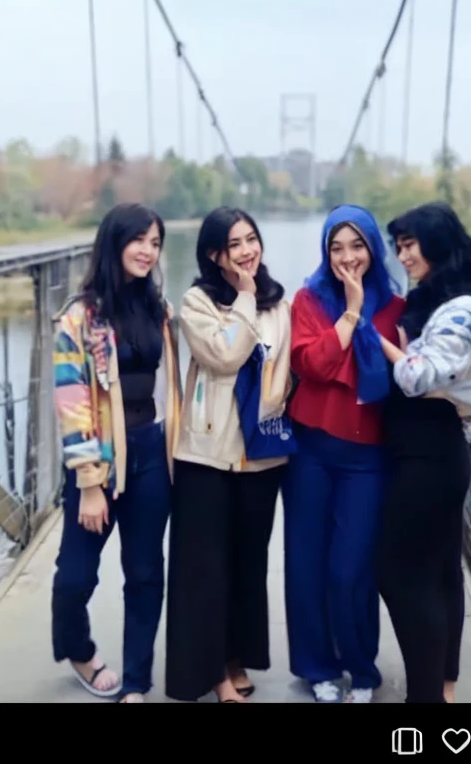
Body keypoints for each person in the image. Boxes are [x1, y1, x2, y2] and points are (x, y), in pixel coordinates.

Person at [376, 201, 471, 705]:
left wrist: (387, 346)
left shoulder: (460, 311)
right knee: (438, 573)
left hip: (428, 458)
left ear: (436, 244)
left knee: (399, 573)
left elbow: (415, 377)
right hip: (432, 451)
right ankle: (443, 690)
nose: (402, 255)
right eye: (399, 246)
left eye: (410, 245)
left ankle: (426, 697)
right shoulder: (446, 298)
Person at [51, 203, 181, 703]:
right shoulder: (79, 316)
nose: (148, 251)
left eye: (155, 242)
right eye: (139, 240)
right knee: (75, 576)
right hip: (100, 457)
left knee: (146, 573)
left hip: (150, 450)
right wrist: (89, 481)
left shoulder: (157, 309)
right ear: (114, 242)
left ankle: (136, 682)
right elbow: (71, 399)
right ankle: (78, 649)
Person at [165, 207, 293, 703]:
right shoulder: (197, 302)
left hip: (261, 457)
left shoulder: (280, 303)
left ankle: (237, 656)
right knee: (207, 570)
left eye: (251, 239)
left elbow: (285, 363)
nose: (247, 251)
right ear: (214, 255)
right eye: (234, 244)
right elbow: (224, 354)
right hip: (206, 457)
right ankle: (215, 673)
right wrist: (243, 296)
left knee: (247, 564)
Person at [283, 205, 405, 703]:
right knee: (307, 563)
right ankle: (318, 669)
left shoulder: (398, 308)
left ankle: (363, 669)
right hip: (311, 449)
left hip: (367, 458)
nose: (347, 257)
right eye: (337, 247)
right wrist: (351, 313)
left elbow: (408, 377)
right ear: (325, 252)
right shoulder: (309, 300)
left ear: (373, 249)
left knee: (350, 568)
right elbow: (310, 363)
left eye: (357, 246)